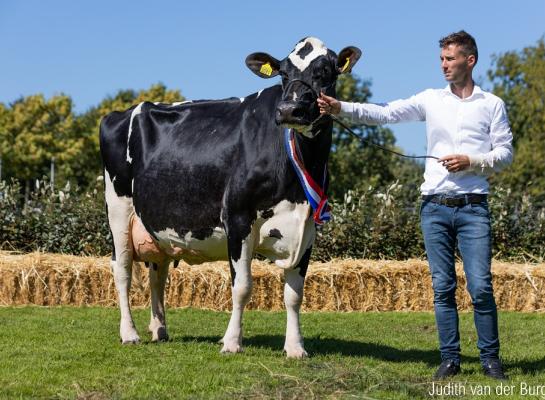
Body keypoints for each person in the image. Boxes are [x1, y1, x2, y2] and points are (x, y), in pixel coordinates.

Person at [318, 30, 512, 380]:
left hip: (473, 208)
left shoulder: (492, 104)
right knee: (442, 287)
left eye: (450, 59)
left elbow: (505, 153)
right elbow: (387, 114)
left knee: (480, 286)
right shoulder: (431, 99)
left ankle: (490, 360)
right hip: (434, 207)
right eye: (441, 59)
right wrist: (341, 107)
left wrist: (472, 160)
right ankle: (450, 359)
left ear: (470, 60)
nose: (444, 66)